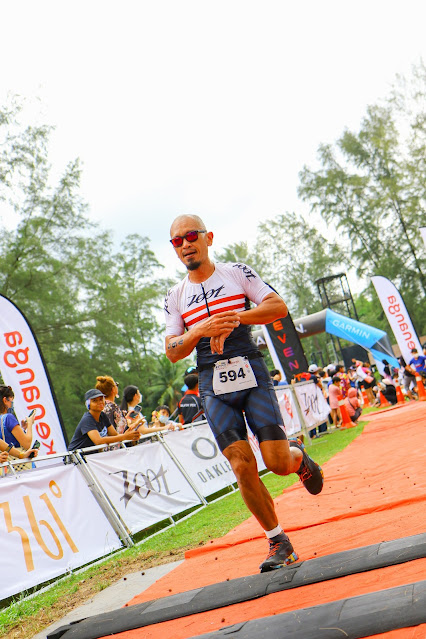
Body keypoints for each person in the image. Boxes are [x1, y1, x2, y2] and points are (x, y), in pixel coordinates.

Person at [164, 214, 323, 573]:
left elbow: (277, 307)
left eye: (191, 236)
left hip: (251, 372)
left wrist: (235, 317)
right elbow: (172, 350)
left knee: (276, 464)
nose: (185, 244)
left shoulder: (236, 273)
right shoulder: (175, 296)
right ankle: (279, 541)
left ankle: (298, 457)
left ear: (208, 238)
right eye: (177, 240)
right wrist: (200, 330)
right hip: (212, 383)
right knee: (241, 465)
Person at [68, 389, 140, 451]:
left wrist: (129, 433)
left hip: (91, 456)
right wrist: (124, 437)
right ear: (88, 404)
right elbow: (98, 441)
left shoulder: (102, 415)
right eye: (94, 401)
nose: (99, 402)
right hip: (76, 457)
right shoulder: (87, 419)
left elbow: (114, 435)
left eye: (101, 399)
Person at [0, 384, 36, 453]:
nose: (12, 404)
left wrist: (22, 429)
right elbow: (27, 444)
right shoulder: (8, 418)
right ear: (5, 400)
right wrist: (29, 424)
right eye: (11, 401)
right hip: (15, 458)